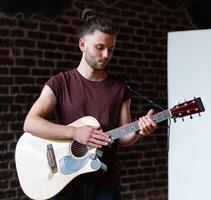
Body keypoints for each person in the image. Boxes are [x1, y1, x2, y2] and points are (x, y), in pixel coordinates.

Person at [23, 9, 157, 200]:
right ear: (82, 44)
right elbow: (30, 123)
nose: (106, 55)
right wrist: (74, 133)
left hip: (104, 180)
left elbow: (123, 136)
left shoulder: (120, 89)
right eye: (100, 47)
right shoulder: (60, 83)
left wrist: (139, 131)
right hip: (64, 177)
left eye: (111, 49)